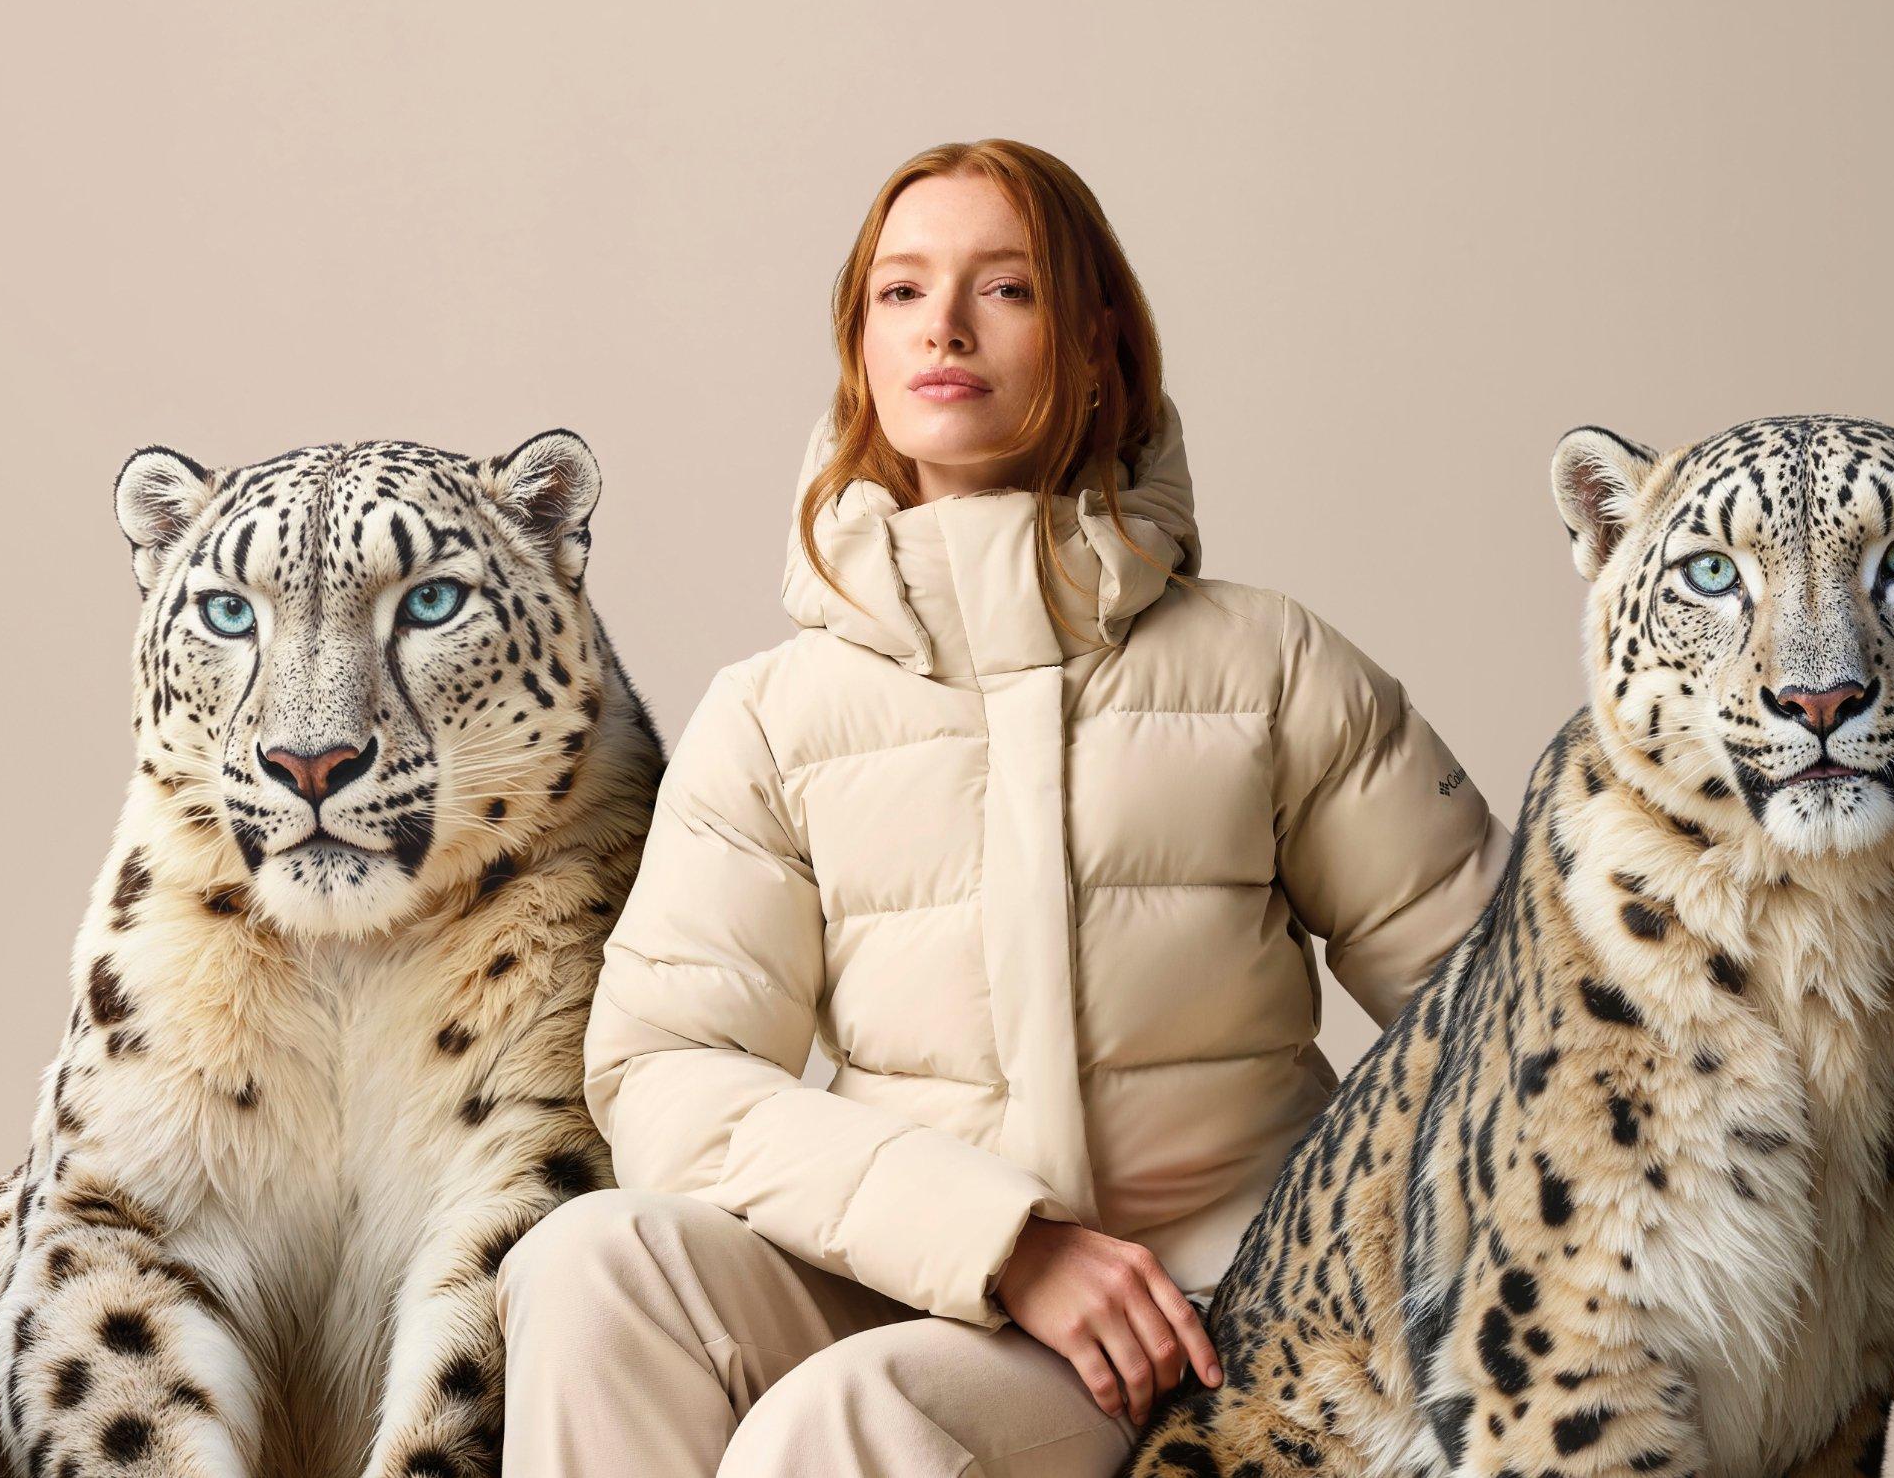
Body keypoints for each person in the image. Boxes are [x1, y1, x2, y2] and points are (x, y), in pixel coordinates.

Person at [497, 139, 1509, 1478]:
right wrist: (1000, 1240)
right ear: (861, 347)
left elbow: (1506, 1013)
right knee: (590, 1259)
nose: (947, 329)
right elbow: (664, 1068)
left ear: (1093, 339)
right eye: (901, 294)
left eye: (1007, 289)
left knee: (847, 1419)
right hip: (914, 1273)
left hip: (1213, 1316)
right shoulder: (778, 714)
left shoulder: (1269, 668)